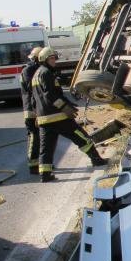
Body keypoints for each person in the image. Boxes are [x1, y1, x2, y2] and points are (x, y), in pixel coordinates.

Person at [31, 46, 107, 182]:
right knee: (81, 137)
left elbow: (34, 99)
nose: (54, 61)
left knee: (46, 148)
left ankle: (45, 175)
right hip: (57, 116)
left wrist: (37, 115)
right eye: (52, 58)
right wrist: (65, 108)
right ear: (44, 59)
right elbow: (51, 95)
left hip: (44, 119)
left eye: (54, 58)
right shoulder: (46, 73)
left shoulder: (36, 74)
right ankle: (96, 159)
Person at [20, 46, 43, 175]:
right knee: (34, 137)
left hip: (39, 109)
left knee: (41, 138)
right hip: (31, 110)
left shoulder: (37, 69)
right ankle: (33, 165)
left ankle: (42, 162)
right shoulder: (28, 70)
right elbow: (33, 90)